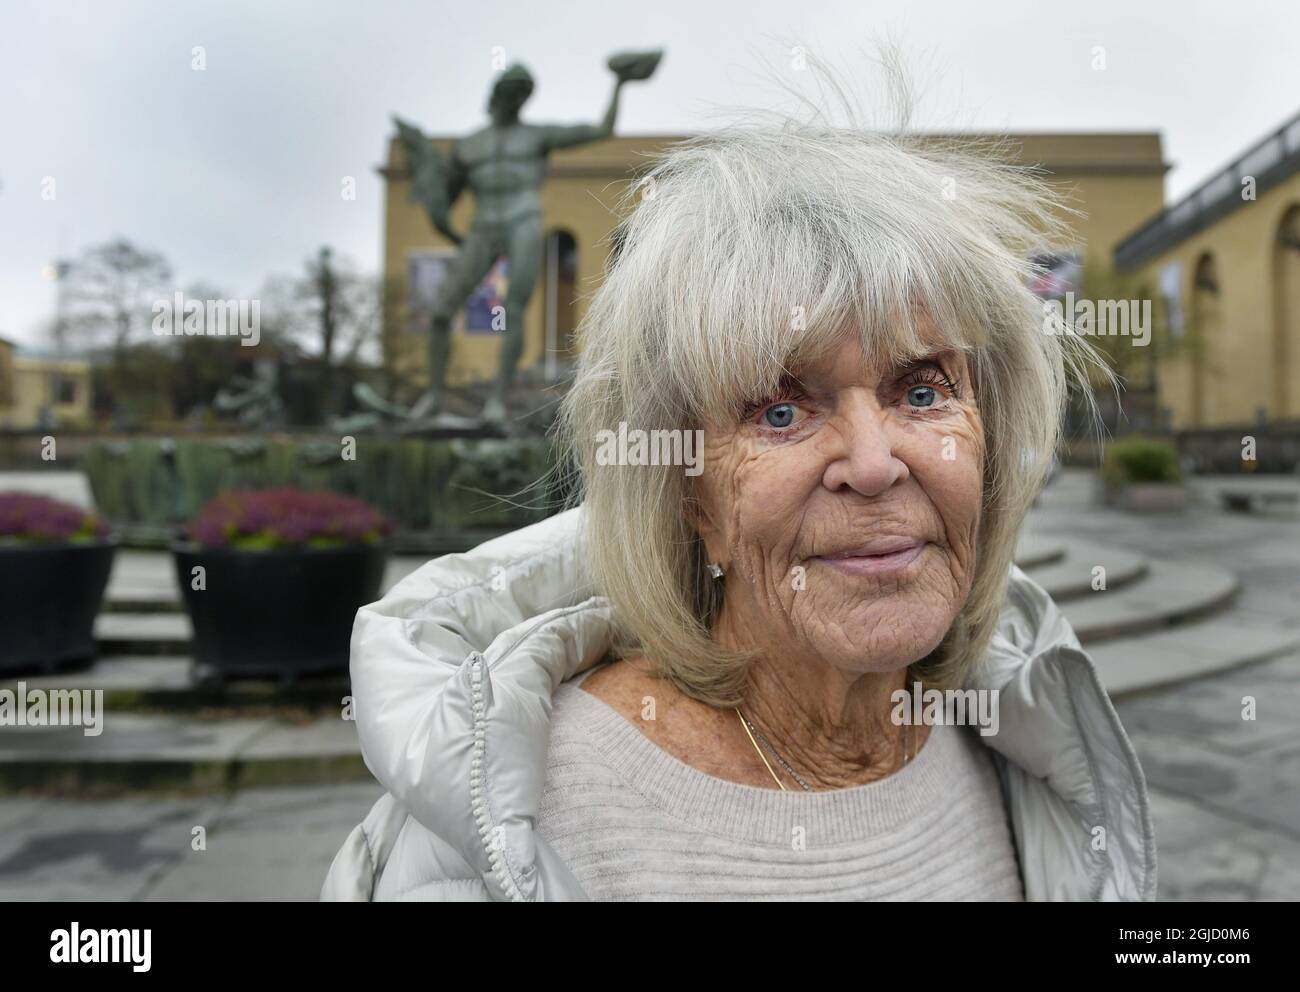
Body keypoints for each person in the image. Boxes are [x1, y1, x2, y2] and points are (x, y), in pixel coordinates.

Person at [321, 118, 1156, 902]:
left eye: (925, 390)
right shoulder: (517, 809)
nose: (873, 465)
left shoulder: (1027, 743)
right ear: (690, 495)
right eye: (781, 411)